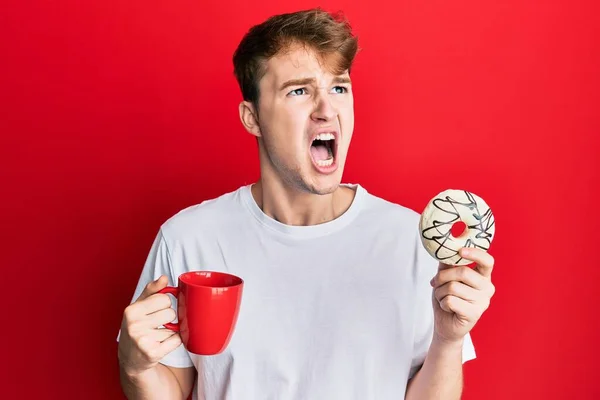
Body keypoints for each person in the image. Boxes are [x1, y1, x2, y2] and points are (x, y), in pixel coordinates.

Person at [116, 8, 496, 400]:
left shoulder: (409, 240)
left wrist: (449, 341)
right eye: (299, 91)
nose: (326, 110)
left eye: (338, 88)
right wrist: (135, 366)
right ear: (253, 117)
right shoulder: (188, 239)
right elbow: (171, 392)